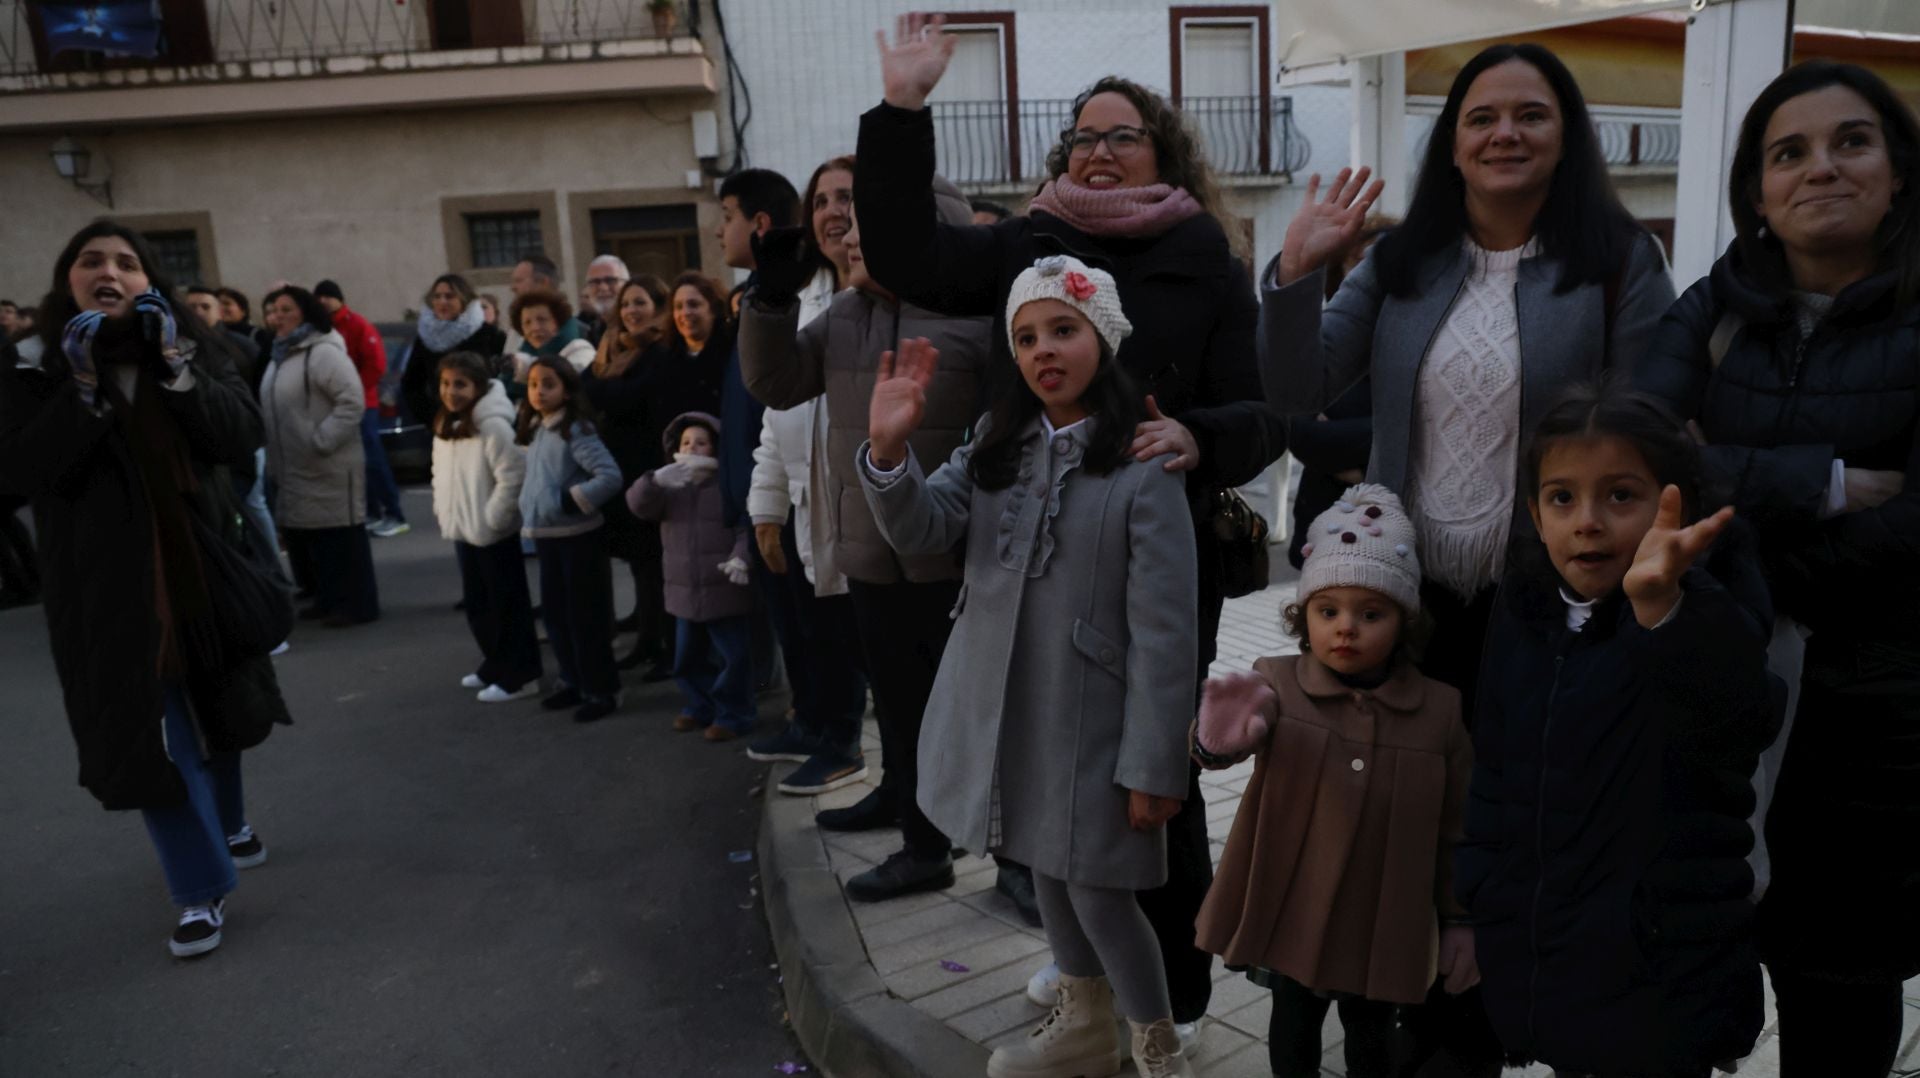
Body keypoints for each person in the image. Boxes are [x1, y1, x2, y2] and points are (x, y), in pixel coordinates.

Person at [1258, 44, 1677, 1068]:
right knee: (1406, 818)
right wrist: (1294, 272)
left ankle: (1487, 1021)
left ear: (1565, 134)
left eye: (1530, 115)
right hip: (1415, 603)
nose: (1504, 134)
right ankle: (1406, 1020)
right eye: (1482, 117)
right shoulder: (1403, 261)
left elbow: (1657, 425)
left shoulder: (1622, 261)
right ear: (1451, 143)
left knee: (1516, 824)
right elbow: (1300, 386)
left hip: (1546, 601)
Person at [862, 17, 1286, 1026]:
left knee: (1155, 776)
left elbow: (1261, 412)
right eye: (1082, 137)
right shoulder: (1027, 240)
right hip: (1031, 539)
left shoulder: (1207, 259)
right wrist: (902, 108)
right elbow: (905, 252)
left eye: (1122, 134)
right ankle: (1088, 972)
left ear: (1161, 151)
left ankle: (1172, 994)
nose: (1098, 150)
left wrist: (1194, 433)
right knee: (1045, 773)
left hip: (1149, 539)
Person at [1633, 60, 1920, 1077]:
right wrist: (1830, 481)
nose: (1820, 168)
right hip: (1720, 688)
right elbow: (1638, 463)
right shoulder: (1714, 308)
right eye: (1787, 152)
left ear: (1896, 169)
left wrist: (1731, 511)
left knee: (1840, 981)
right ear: (1757, 190)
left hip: (1878, 709)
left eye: (1852, 142)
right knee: (1700, 954)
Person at [860, 256, 1198, 1077]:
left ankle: (1157, 1045)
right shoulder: (995, 441)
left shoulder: (1144, 462)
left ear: (1102, 339)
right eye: (1026, 336)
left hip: (1094, 715)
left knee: (1100, 891)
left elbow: (1166, 628)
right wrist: (886, 450)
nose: (1044, 349)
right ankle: (1084, 1024)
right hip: (1009, 704)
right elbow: (924, 529)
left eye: (1063, 329)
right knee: (1042, 861)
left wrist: (1156, 760)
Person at [1459, 385, 1776, 1076]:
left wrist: (1666, 612)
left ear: (1677, 504)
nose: (1588, 522)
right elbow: (1495, 770)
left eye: (1622, 495)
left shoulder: (1701, 611)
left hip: (1661, 974)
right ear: (1534, 514)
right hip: (1548, 961)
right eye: (1562, 497)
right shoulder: (1523, 612)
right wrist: (1475, 899)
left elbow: (1742, 715)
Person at [0, 221, 291, 957]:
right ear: (67, 280)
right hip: (107, 587)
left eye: (128, 264)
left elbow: (240, 435)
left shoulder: (187, 348)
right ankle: (199, 890)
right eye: (91, 261)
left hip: (201, 564)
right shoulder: (32, 367)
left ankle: (231, 819)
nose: (110, 272)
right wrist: (85, 391)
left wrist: (177, 371)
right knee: (153, 733)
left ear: (149, 283)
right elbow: (19, 474)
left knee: (220, 706)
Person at [740, 185, 993, 888]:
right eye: (847, 232)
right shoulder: (843, 316)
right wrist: (768, 296)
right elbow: (776, 382)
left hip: (957, 558)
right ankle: (922, 845)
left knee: (973, 718)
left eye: (866, 229)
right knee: (903, 710)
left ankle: (1013, 860)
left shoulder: (975, 320)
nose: (847, 239)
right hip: (873, 557)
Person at [1194, 486, 1473, 1078]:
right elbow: (1234, 737)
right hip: (1293, 904)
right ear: (1304, 617)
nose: (1346, 628)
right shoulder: (1278, 684)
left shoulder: (1440, 713)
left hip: (1383, 920)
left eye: (1370, 613)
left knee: (1370, 1034)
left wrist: (1458, 920)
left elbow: (1456, 828)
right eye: (1328, 611)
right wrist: (1214, 739)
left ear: (1404, 621)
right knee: (1292, 1021)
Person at [628, 412, 757, 740]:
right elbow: (638, 505)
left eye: (701, 442)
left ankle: (733, 714)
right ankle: (699, 707)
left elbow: (747, 525)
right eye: (686, 442)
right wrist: (654, 481)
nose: (693, 448)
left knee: (733, 658)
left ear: (716, 447)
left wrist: (742, 557)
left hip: (724, 589)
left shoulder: (728, 483)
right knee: (686, 657)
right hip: (683, 591)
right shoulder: (671, 485)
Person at [261, 285, 381, 628]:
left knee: (341, 537)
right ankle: (329, 599)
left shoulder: (323, 352)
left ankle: (358, 604)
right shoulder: (282, 354)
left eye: (286, 309)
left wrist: (321, 441)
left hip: (328, 462)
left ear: (306, 313)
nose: (277, 316)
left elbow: (351, 401)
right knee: (315, 539)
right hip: (296, 464)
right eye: (273, 310)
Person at [516, 353, 624, 722]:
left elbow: (609, 476)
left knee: (585, 618)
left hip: (577, 537)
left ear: (566, 388)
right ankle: (573, 681)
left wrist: (570, 500)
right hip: (548, 536)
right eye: (533, 384)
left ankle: (601, 689)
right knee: (557, 616)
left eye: (549, 384)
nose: (539, 392)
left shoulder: (575, 428)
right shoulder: (538, 427)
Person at [1284, 216, 1395, 569]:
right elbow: (1301, 433)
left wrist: (1354, 453)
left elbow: (1428, 431)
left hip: (1398, 543)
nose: (1376, 273)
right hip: (1324, 539)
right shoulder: (1325, 343)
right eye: (1362, 262)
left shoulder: (1424, 347)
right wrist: (1387, 447)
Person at [431, 350, 540, 703]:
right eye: (446, 384)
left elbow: (512, 477)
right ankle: (495, 663)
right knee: (479, 605)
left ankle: (521, 674)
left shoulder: (492, 425)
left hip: (492, 533)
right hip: (464, 529)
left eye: (460, 384)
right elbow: (439, 475)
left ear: (478, 386)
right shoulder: (448, 423)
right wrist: (444, 512)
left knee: (506, 605)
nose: (451, 391)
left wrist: (493, 520)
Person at [581, 274, 677, 675]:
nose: (631, 312)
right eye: (626, 305)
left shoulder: (660, 351)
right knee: (640, 563)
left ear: (658, 308)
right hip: (622, 467)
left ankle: (668, 648)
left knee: (659, 564)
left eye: (640, 303)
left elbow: (620, 397)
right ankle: (647, 638)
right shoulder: (614, 350)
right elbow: (588, 383)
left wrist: (597, 388)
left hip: (650, 467)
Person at [313, 279, 408, 538]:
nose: (322, 301)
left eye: (327, 296)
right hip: (338, 406)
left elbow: (375, 365)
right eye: (318, 297)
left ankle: (394, 513)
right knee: (356, 462)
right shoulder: (321, 329)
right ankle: (373, 513)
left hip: (363, 404)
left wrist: (352, 393)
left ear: (339, 298)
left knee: (373, 459)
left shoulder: (356, 325)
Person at [401, 273, 509, 430]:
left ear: (464, 300)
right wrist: (434, 418)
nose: (442, 302)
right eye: (437, 296)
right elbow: (412, 385)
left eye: (449, 296)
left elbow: (503, 377)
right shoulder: (426, 339)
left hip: (485, 421)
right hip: (444, 424)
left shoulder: (489, 334)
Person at [508, 287, 595, 388]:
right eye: (527, 323)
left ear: (557, 322)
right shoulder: (521, 355)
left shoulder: (580, 350)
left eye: (542, 320)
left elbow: (565, 382)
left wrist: (523, 367)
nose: (535, 328)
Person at [580, 254, 629, 346]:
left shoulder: (637, 326)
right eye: (595, 282)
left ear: (626, 285)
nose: (603, 287)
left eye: (610, 280)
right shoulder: (591, 332)